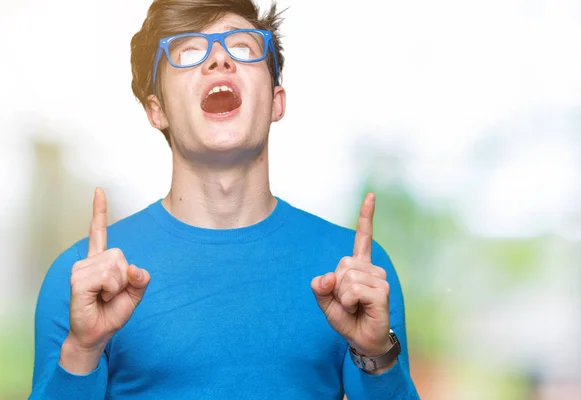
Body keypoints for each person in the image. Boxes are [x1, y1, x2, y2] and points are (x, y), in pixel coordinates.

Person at [29, 0, 420, 399]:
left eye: (244, 48)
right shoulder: (84, 279)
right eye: (189, 51)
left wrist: (377, 355)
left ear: (276, 100)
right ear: (157, 109)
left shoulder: (357, 272)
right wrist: (82, 350)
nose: (219, 60)